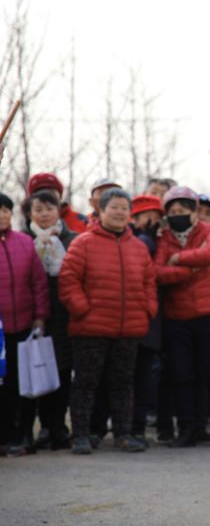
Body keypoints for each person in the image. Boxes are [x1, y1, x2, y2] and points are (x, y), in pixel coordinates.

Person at [59, 188, 157, 454]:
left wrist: (148, 308)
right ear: (100, 211)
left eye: (125, 208)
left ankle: (123, 435)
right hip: (91, 327)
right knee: (86, 383)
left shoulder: (137, 247)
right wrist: (83, 309)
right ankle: (80, 435)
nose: (119, 212)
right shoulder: (83, 242)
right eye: (114, 207)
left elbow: (150, 282)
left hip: (129, 328)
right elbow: (68, 281)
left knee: (123, 383)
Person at [155, 187, 210, 448]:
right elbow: (159, 273)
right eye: (173, 211)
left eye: (183, 210)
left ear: (194, 211)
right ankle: (188, 429)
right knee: (183, 376)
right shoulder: (164, 236)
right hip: (177, 318)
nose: (178, 215)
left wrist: (178, 258)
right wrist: (191, 270)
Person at [21, 190, 78, 451]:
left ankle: (58, 427)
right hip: (31, 317)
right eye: (38, 209)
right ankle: (40, 428)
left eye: (49, 208)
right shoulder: (22, 241)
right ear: (29, 214)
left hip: (65, 316)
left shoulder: (73, 240)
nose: (44, 214)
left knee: (63, 373)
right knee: (35, 370)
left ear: (59, 210)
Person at [0, 192, 49, 456]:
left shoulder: (25, 243)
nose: (3, 215)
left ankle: (22, 436)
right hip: (0, 333)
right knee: (2, 386)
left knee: (24, 385)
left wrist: (40, 316)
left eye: (6, 210)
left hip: (24, 327)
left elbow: (38, 284)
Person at [129, 194, 169, 444]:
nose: (153, 221)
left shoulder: (162, 240)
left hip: (158, 318)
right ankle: (130, 427)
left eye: (157, 217)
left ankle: (140, 427)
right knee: (133, 377)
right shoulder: (136, 241)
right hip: (136, 317)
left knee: (147, 378)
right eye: (148, 217)